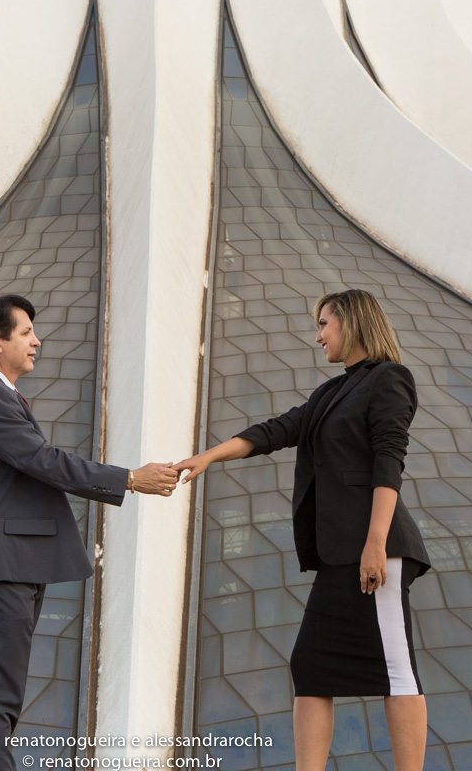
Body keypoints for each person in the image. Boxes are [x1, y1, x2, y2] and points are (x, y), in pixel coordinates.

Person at [174, 289, 431, 771]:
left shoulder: (389, 379)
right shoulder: (332, 392)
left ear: (351, 323)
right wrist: (208, 457)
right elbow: (277, 431)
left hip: (376, 549)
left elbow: (388, 463)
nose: (318, 336)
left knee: (396, 670)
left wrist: (375, 543)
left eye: (324, 324)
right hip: (339, 554)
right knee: (310, 668)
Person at [0, 294, 179, 771]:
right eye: (26, 332)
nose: (37, 340)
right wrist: (130, 478)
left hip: (8, 566)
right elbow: (42, 461)